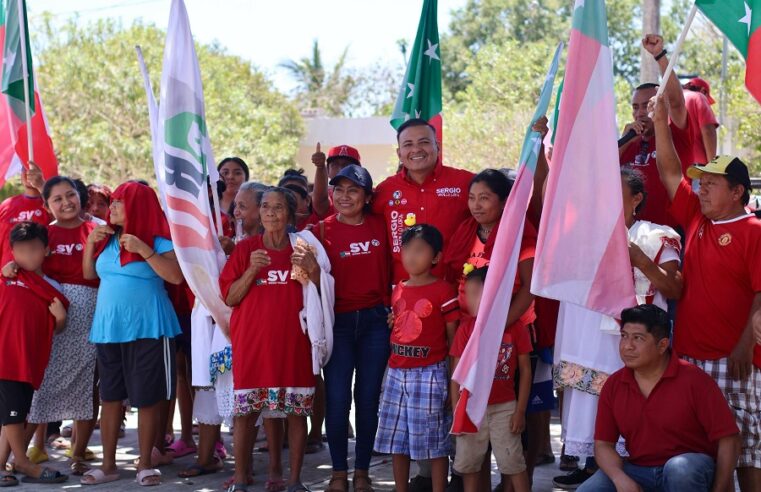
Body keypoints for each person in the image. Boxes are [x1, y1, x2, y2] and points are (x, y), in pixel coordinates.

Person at [652, 93, 761, 492]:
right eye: (701, 182)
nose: (701, 189)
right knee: (699, 444)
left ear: (737, 192)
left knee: (746, 445)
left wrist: (745, 344)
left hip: (735, 360)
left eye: (711, 184)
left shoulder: (754, 231)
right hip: (689, 357)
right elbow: (668, 170)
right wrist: (661, 123)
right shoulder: (697, 216)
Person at [553, 167, 683, 489]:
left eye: (616, 192)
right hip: (587, 338)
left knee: (627, 403)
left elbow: (674, 289)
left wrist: (639, 259)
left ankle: (633, 470)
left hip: (631, 341)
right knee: (592, 405)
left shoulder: (655, 235)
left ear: (636, 198)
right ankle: (595, 467)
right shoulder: (582, 235)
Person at [219, 187, 332, 492]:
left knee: (296, 413)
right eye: (265, 206)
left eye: (278, 207)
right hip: (253, 346)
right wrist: (252, 270)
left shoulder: (302, 249)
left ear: (290, 214)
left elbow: (324, 294)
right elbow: (230, 296)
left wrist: (314, 271)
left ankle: (294, 481)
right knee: (246, 413)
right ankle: (240, 480)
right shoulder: (246, 250)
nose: (270, 213)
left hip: (294, 345)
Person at [80, 181, 184, 487]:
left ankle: (145, 464)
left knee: (148, 398)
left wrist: (144, 250)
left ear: (136, 206)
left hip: (150, 326)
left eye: (117, 202)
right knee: (110, 397)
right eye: (111, 202)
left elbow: (176, 276)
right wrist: (89, 244)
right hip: (109, 328)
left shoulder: (159, 239)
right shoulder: (106, 238)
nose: (110, 207)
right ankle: (108, 465)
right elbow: (89, 274)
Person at [579, 304, 741, 492]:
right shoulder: (614, 384)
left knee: (679, 469)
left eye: (638, 338)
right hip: (639, 470)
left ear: (662, 345)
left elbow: (729, 439)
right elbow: (603, 445)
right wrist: (619, 478)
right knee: (588, 490)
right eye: (624, 336)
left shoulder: (694, 380)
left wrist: (719, 490)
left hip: (690, 470)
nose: (627, 346)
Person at [1, 177, 100, 477]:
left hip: (89, 312)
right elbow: (24, 261)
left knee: (86, 387)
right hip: (48, 311)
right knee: (39, 389)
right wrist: (8, 267)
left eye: (70, 195)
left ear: (80, 197)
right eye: (57, 198)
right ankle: (16, 456)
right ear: (46, 206)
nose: (66, 202)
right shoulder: (43, 234)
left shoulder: (97, 229)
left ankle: (77, 453)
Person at [318, 165, 390, 492]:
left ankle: (362, 471)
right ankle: (337, 472)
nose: (345, 196)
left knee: (368, 399)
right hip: (338, 325)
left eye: (353, 190)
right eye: (339, 190)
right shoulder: (320, 231)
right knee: (336, 399)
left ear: (366, 197)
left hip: (377, 322)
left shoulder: (381, 225)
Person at [374, 224, 459, 492]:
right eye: (407, 249)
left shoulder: (444, 291)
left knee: (434, 442)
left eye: (420, 250)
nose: (411, 256)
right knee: (396, 440)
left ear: (436, 257)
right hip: (396, 372)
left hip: (429, 373)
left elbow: (453, 340)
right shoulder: (397, 288)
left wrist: (450, 378)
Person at [450, 267, 532, 492]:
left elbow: (525, 370)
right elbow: (456, 374)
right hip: (470, 408)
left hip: (505, 407)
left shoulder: (516, 328)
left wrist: (520, 411)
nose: (471, 300)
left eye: (478, 293)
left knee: (513, 462)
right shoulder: (466, 330)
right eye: (468, 294)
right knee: (469, 464)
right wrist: (457, 410)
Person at [0, 222, 68, 485]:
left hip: (28, 361)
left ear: (47, 250)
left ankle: (4, 465)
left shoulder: (52, 287)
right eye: (21, 250)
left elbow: (56, 329)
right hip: (6, 359)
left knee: (13, 414)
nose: (28, 255)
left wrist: (60, 319)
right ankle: (24, 463)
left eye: (34, 249)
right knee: (13, 415)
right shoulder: (7, 277)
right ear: (12, 252)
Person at [373, 119, 474, 285]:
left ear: (438, 146)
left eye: (424, 142)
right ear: (399, 154)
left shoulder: (466, 182)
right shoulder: (385, 190)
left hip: (457, 289)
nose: (416, 149)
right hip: (404, 294)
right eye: (408, 144)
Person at [618, 34, 693, 228]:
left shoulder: (675, 134)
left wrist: (659, 55)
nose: (640, 112)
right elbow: (601, 177)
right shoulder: (628, 141)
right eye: (635, 107)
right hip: (631, 238)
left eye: (646, 105)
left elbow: (677, 103)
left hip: (670, 236)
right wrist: (624, 141)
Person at [0, 165, 50, 265]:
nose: (28, 172)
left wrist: (42, 186)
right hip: (6, 277)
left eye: (32, 169)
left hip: (40, 277)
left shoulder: (52, 205)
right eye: (25, 169)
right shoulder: (6, 205)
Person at [311, 143, 362, 218]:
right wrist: (320, 167)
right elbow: (320, 201)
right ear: (328, 170)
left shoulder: (368, 193)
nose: (340, 169)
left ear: (358, 170)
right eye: (335, 165)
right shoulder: (327, 194)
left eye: (347, 165)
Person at [683, 77, 719, 164]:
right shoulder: (698, 97)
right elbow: (708, 131)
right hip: (695, 167)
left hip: (671, 167)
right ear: (703, 90)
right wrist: (712, 166)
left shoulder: (670, 99)